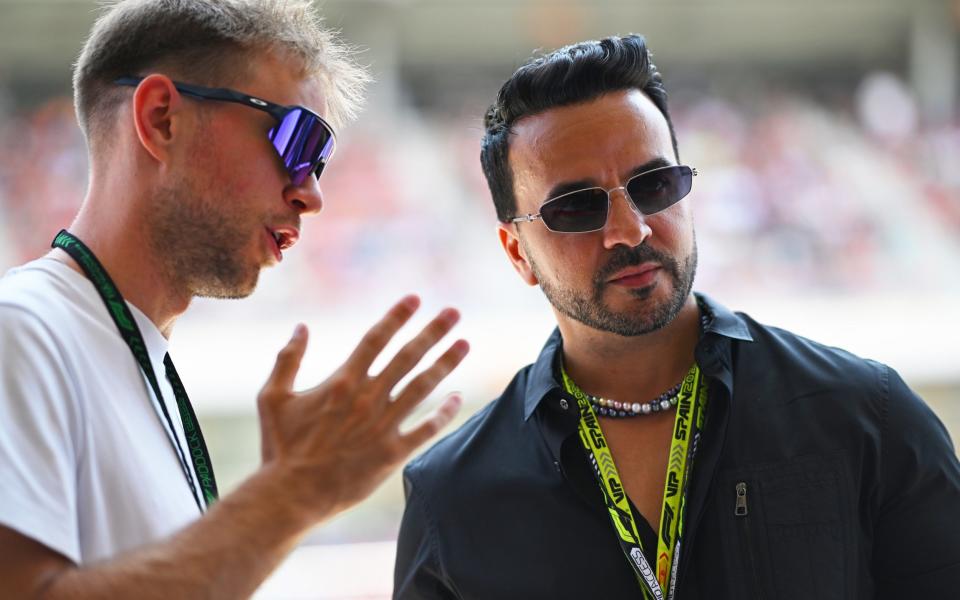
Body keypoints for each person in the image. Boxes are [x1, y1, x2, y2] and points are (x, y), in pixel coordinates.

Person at [394, 34, 960, 599]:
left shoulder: (868, 418)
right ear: (518, 253)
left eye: (655, 184)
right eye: (577, 206)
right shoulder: (452, 496)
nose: (631, 230)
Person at [0, 1, 469, 598]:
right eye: (297, 140)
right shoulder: (21, 330)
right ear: (162, 118)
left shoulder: (133, 358)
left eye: (321, 162)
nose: (313, 194)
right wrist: (289, 498)